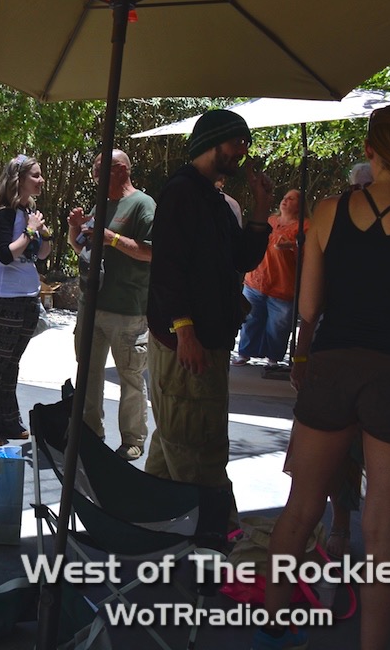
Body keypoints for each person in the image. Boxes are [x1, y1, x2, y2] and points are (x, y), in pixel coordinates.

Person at [258, 103, 390, 650]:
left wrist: (303, 355)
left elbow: (308, 306)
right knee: (385, 529)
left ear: (370, 148)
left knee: (300, 507)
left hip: (334, 366)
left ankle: (269, 630)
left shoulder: (331, 209)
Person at [146, 109, 271, 497]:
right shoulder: (182, 191)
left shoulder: (212, 197)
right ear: (211, 142)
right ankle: (211, 536)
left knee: (173, 448)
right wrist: (185, 331)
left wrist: (262, 205)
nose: (242, 151)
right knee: (200, 452)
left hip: (207, 341)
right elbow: (168, 267)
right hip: (186, 345)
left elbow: (242, 259)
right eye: (237, 142)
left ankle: (147, 521)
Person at [65, 150, 155, 460]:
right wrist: (76, 228)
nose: (93, 177)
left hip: (127, 311)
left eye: (97, 171)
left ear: (119, 170)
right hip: (91, 305)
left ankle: (132, 439)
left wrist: (113, 239)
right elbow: (83, 248)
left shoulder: (143, 205)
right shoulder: (101, 205)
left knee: (130, 377)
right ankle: (90, 433)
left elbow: (152, 252)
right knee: (87, 372)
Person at [0, 153, 53, 442]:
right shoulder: (3, 213)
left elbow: (41, 255)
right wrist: (30, 231)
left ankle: (6, 419)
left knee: (11, 362)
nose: (41, 180)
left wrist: (44, 232)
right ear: (19, 179)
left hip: (28, 295)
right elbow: (5, 256)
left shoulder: (29, 213)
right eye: (36, 175)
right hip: (5, 297)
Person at [235, 189, 306, 369]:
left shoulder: (305, 227)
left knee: (279, 326)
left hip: (283, 286)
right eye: (285, 197)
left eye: (291, 199)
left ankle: (273, 358)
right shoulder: (270, 221)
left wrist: (292, 246)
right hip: (256, 281)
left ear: (300, 205)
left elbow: (309, 254)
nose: (285, 201)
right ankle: (244, 353)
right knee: (250, 319)